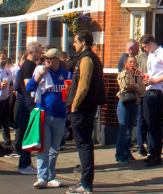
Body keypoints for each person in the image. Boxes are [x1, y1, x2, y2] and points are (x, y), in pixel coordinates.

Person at [66, 30, 107, 194]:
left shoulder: (87, 59)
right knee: (85, 145)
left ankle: (86, 184)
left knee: (83, 145)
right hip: (86, 108)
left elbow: (83, 85)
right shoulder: (88, 58)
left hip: (83, 109)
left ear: (83, 42)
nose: (74, 44)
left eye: (75, 41)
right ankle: (85, 182)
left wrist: (75, 105)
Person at [28, 48, 71, 188]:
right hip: (44, 113)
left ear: (57, 60)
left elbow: (70, 92)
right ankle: (42, 177)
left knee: (54, 148)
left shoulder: (66, 74)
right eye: (45, 58)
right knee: (44, 147)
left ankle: (51, 177)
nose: (46, 60)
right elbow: (29, 88)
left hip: (60, 115)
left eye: (50, 58)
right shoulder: (41, 71)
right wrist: (39, 76)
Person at [140, 34, 163, 167]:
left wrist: (154, 81)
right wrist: (148, 79)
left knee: (154, 124)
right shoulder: (151, 54)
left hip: (157, 92)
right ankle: (152, 152)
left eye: (144, 47)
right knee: (149, 123)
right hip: (150, 90)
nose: (144, 50)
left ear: (150, 43)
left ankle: (156, 155)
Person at [15, 42, 43, 174]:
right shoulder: (28, 66)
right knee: (28, 133)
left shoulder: (30, 65)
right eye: (39, 51)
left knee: (28, 133)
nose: (41, 53)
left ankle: (25, 163)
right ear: (31, 52)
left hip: (28, 102)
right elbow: (28, 85)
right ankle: (24, 165)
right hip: (28, 103)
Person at [116, 53, 145, 163]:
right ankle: (119, 154)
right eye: (130, 62)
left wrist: (137, 81)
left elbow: (142, 91)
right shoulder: (123, 73)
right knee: (123, 130)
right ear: (126, 63)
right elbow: (126, 86)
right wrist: (135, 83)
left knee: (129, 130)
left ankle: (127, 153)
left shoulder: (138, 75)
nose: (133, 64)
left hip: (134, 103)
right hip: (124, 104)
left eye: (134, 62)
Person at [0, 56, 14, 146]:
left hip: (5, 99)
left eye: (5, 58)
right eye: (2, 58)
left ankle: (7, 141)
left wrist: (10, 98)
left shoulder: (8, 71)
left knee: (5, 122)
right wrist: (0, 85)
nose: (4, 60)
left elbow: (11, 85)